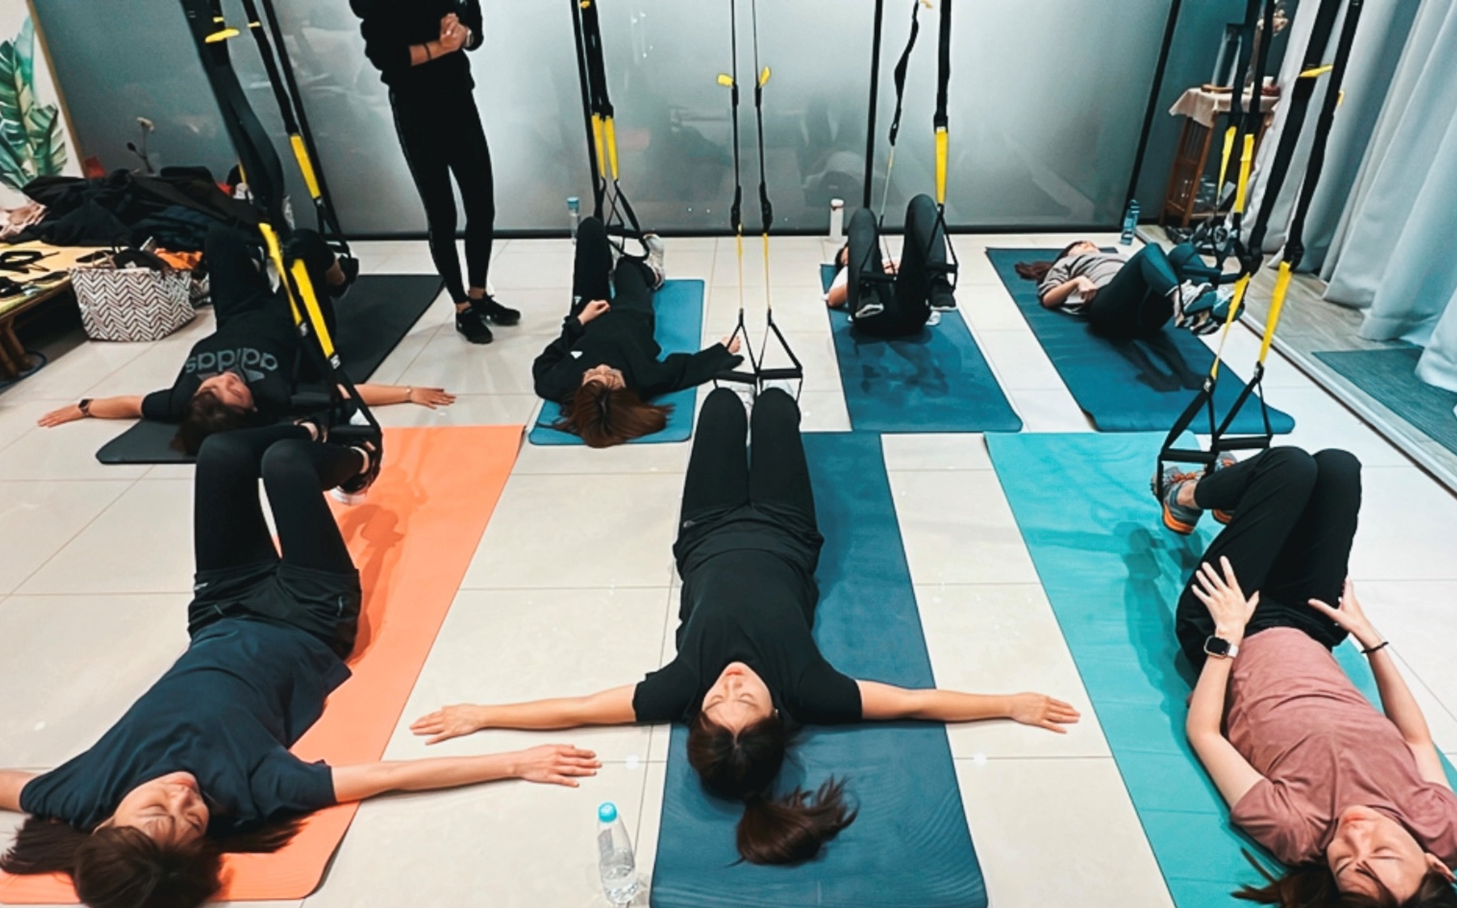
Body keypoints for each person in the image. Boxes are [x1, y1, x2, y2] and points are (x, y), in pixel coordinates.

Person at [0, 421, 598, 908]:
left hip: (220, 609)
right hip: (311, 617)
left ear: (104, 822)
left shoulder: (83, 792)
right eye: (191, 823)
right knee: (287, 466)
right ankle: (356, 459)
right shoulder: (252, 791)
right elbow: (386, 776)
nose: (182, 798)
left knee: (224, 452)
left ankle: (308, 434)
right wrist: (514, 760)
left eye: (156, 810)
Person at [411, 386, 1081, 864]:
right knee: (779, 406)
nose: (729, 683)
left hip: (706, 529)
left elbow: (578, 709)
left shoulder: (678, 689)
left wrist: (483, 713)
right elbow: (914, 703)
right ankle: (775, 409)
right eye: (746, 699)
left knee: (723, 406)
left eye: (717, 701)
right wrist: (1008, 703)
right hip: (788, 527)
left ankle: (733, 408)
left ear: (698, 716)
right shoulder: (810, 689)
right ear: (776, 715)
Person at [1159, 445, 1457, 908]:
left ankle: (1186, 496)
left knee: (1288, 467)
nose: (1355, 836)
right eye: (1382, 853)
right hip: (1312, 626)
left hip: (1229, 629)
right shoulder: (1444, 830)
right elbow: (1417, 741)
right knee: (1337, 467)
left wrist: (1225, 637)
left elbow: (1206, 735)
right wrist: (1372, 641)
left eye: (1348, 865)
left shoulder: (1297, 833)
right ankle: (1240, 500)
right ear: (1438, 868)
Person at [36, 225, 455, 452]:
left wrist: (84, 407)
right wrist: (409, 392)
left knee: (219, 238)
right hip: (299, 321)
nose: (226, 378)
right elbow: (347, 393)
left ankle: (258, 255)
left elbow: (130, 404)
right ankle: (338, 279)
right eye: (235, 390)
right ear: (252, 407)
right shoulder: (276, 396)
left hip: (238, 311)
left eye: (212, 385)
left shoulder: (181, 401)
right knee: (304, 243)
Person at [350, 0, 518, 346]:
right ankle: (461, 307)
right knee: (442, 214)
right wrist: (441, 46)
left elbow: (475, 29)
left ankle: (478, 294)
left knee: (482, 205)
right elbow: (388, 58)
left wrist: (464, 35)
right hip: (415, 110)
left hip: (459, 98)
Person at [532, 215, 742, 447]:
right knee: (628, 267)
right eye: (612, 375)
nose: (602, 367)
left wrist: (579, 322)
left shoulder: (560, 384)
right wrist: (723, 351)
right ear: (627, 391)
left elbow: (545, 362)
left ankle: (606, 262)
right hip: (631, 314)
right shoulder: (644, 378)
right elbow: (684, 370)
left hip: (588, 313)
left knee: (590, 228)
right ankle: (654, 273)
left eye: (591, 374)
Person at [1015, 240, 1227, 339]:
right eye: (1080, 245)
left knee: (1183, 251)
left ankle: (1209, 308)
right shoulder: (1066, 263)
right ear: (1068, 253)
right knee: (1150, 250)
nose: (1088, 244)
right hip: (1109, 311)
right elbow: (1048, 298)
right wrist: (1077, 281)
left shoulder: (1118, 257)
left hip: (1146, 318)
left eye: (1091, 244)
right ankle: (1181, 300)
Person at [823, 193, 955, 337]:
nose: (849, 256)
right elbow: (833, 299)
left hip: (911, 310)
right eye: (846, 258)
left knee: (922, 202)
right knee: (862, 216)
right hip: (870, 316)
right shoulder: (847, 271)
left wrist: (897, 269)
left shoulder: (892, 261)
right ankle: (867, 290)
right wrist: (862, 276)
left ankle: (939, 281)